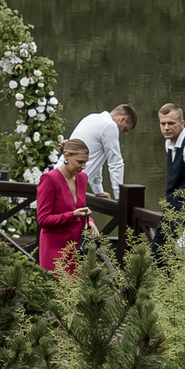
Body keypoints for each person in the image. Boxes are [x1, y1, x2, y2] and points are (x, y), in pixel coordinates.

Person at [35, 136, 92, 272]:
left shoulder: (82, 178)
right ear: (66, 156)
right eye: (80, 162)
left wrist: (89, 220)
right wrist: (72, 215)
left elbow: (80, 209)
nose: (83, 167)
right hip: (55, 246)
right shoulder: (49, 179)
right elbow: (43, 220)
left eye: (85, 162)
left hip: (77, 246)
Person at [68, 104, 135, 199]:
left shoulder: (92, 117)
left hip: (59, 175)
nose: (120, 134)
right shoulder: (110, 126)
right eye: (124, 129)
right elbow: (116, 163)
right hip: (69, 184)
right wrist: (120, 197)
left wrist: (98, 191)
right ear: (122, 119)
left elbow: (96, 158)